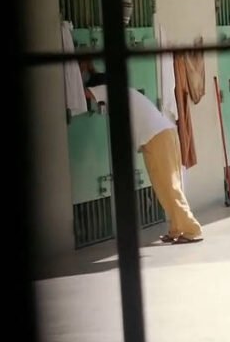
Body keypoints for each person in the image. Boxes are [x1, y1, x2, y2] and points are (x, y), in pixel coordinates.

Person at [84, 74, 204, 244]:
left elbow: (84, 93)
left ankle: (192, 229)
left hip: (158, 138)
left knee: (169, 186)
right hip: (159, 137)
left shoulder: (109, 90)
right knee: (162, 187)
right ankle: (177, 228)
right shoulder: (122, 92)